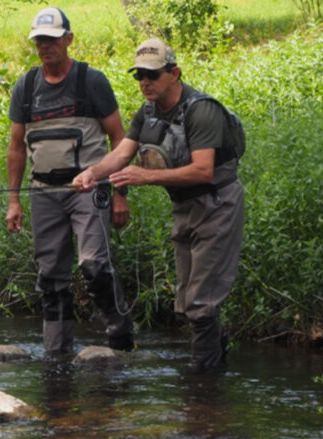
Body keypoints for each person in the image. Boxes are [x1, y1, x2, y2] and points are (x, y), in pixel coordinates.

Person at [72, 38, 245, 373]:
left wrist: (145, 177)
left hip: (217, 206)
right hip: (185, 207)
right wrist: (92, 173)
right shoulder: (147, 112)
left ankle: (203, 383)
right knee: (184, 304)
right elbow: (122, 154)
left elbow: (203, 170)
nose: (145, 82)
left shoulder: (202, 110)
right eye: (139, 76)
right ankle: (216, 364)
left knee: (200, 304)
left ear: (174, 73)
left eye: (152, 74)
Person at [6, 7, 135, 356]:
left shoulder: (91, 81)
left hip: (89, 191)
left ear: (68, 39)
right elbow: (16, 148)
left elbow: (120, 140)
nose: (44, 46)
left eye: (51, 39)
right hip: (43, 193)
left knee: (93, 266)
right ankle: (57, 355)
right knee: (50, 276)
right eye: (39, 41)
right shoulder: (26, 86)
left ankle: (120, 335)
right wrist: (14, 200)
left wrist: (120, 193)